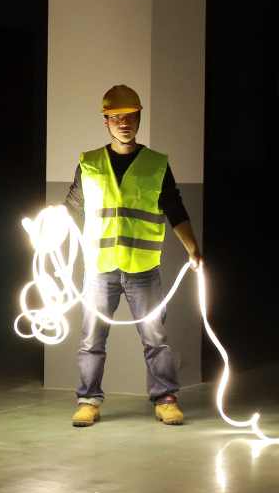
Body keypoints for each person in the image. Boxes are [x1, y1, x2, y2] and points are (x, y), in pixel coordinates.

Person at [64, 85, 203, 428]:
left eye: (130, 116)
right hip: (100, 268)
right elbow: (73, 206)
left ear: (139, 118)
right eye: (116, 117)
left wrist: (193, 249)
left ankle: (166, 399)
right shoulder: (89, 163)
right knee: (91, 339)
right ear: (106, 122)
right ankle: (88, 401)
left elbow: (173, 206)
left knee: (155, 337)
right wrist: (49, 229)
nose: (123, 123)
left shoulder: (156, 164)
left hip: (143, 269)